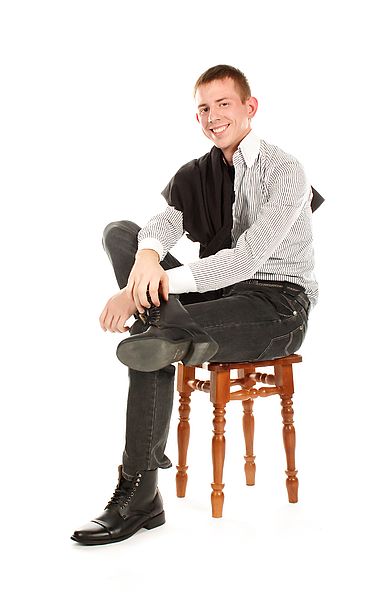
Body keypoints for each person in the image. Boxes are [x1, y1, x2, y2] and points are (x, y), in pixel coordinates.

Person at [71, 64, 319, 545]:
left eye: (223, 104)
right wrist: (145, 260)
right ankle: (167, 331)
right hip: (217, 299)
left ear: (249, 108)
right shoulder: (197, 172)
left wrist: (148, 284)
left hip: (276, 306)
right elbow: (163, 223)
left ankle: (139, 494)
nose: (212, 116)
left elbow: (247, 260)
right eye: (203, 108)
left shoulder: (285, 170)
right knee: (120, 234)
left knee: (154, 335)